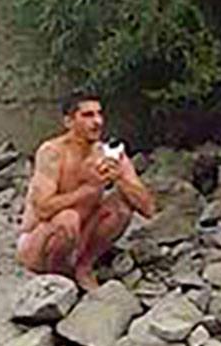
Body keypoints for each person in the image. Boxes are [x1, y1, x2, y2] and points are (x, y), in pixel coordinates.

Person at [16, 91, 156, 290]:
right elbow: (43, 209)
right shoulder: (53, 153)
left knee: (121, 207)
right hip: (39, 241)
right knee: (68, 218)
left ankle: (84, 266)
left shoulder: (108, 154)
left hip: (81, 237)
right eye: (88, 115)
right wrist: (88, 190)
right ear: (69, 121)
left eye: (99, 114)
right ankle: (59, 278)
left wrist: (119, 178)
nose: (97, 122)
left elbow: (148, 209)